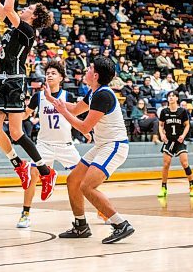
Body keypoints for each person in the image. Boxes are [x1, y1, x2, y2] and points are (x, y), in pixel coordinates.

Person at [45, 57, 134, 244]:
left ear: (95, 75)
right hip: (102, 145)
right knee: (73, 180)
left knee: (87, 186)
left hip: (115, 145)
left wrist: (63, 111)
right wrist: (52, 99)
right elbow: (76, 109)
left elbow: (84, 128)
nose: (86, 69)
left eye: (90, 68)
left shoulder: (104, 95)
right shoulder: (94, 93)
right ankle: (81, 225)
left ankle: (120, 224)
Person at [0, 0, 57, 200]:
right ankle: (20, 165)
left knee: (16, 132)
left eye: (29, 7)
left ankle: (46, 172)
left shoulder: (28, 30)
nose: (24, 7)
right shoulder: (14, 23)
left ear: (34, 16)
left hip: (16, 81)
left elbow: (7, 6)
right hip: (0, 79)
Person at [16, 61, 90, 228]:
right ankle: (25, 214)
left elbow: (76, 116)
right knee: (32, 176)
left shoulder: (67, 97)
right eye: (47, 73)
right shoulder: (38, 96)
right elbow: (25, 115)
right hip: (44, 145)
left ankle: (99, 210)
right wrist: (11, 115)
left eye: (53, 73)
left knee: (84, 179)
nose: (49, 75)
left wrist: (84, 130)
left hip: (66, 145)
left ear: (61, 78)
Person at [158, 91, 193, 198]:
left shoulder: (182, 111)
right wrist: (162, 135)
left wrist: (183, 135)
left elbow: (187, 125)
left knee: (185, 163)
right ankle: (163, 187)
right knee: (166, 164)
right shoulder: (164, 111)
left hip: (179, 141)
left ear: (176, 98)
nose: (170, 98)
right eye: (169, 96)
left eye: (172, 96)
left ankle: (192, 185)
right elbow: (161, 125)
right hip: (169, 141)